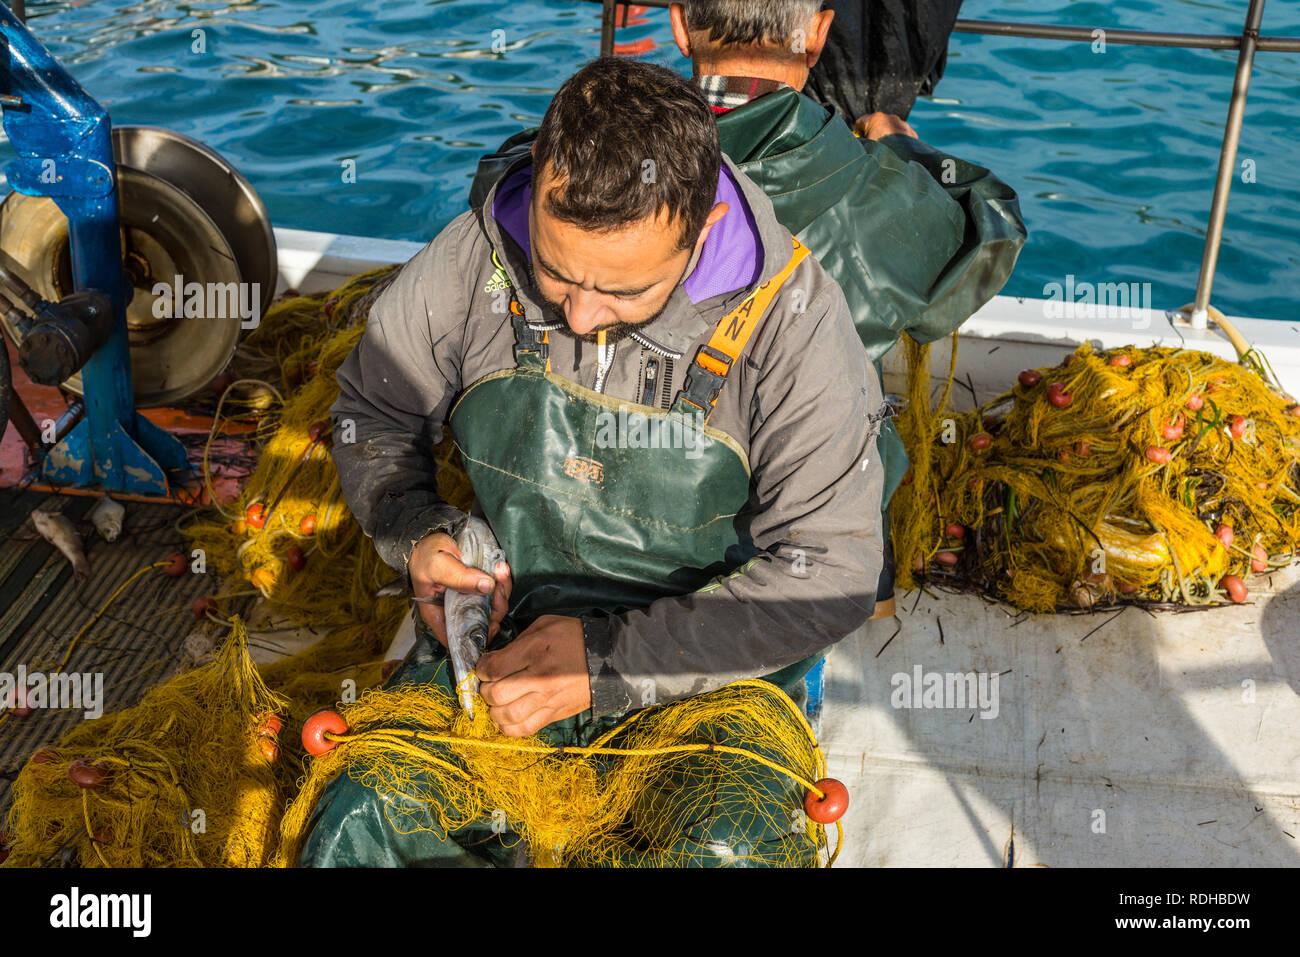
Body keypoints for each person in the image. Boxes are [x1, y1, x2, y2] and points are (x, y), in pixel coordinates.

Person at [300, 56, 889, 866]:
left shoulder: (794, 325)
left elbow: (833, 572)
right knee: (356, 816)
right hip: (502, 638)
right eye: (554, 271)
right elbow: (374, 412)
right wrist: (415, 530)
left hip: (711, 678)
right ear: (540, 180)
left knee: (722, 848)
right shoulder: (474, 255)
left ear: (705, 229)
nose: (578, 315)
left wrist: (609, 662)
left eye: (622, 291)